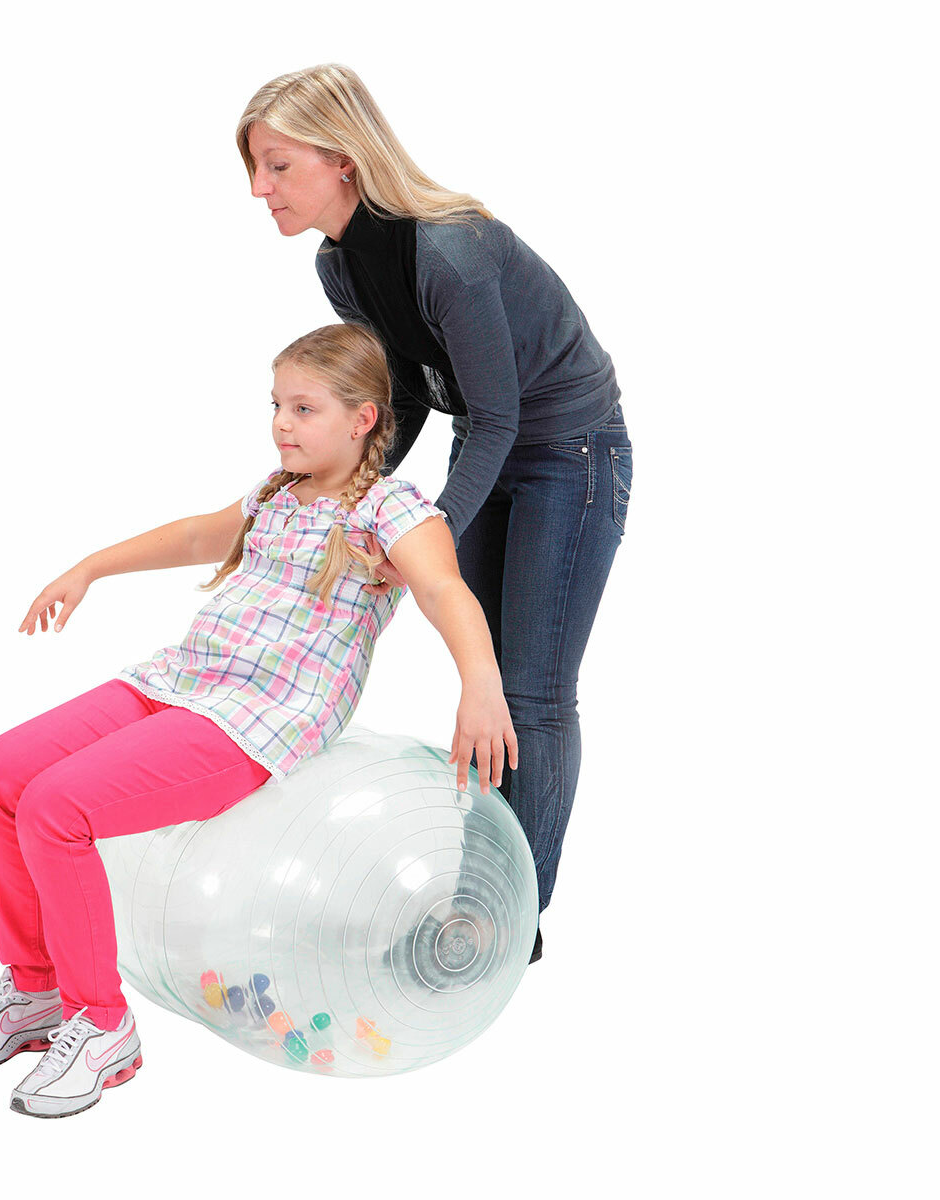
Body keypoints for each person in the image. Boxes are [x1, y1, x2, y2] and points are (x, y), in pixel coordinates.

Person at [0, 323, 518, 1118]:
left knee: (56, 809)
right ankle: (36, 990)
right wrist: (89, 568)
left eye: (304, 409)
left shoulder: (390, 510)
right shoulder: (275, 494)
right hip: (183, 679)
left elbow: (445, 589)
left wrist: (480, 681)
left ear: (363, 419)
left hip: (260, 715)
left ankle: (101, 1025)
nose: (281, 424)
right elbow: (198, 534)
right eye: (275, 405)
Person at [237, 65, 634, 963]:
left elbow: (498, 415)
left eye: (277, 165)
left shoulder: (449, 252)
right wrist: (351, 494)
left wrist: (426, 528)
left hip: (570, 453)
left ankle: (506, 927)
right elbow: (409, 395)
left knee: (530, 692)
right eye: (255, 168)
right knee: (483, 680)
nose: (260, 188)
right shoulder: (339, 264)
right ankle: (481, 902)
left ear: (342, 159)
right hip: (488, 442)